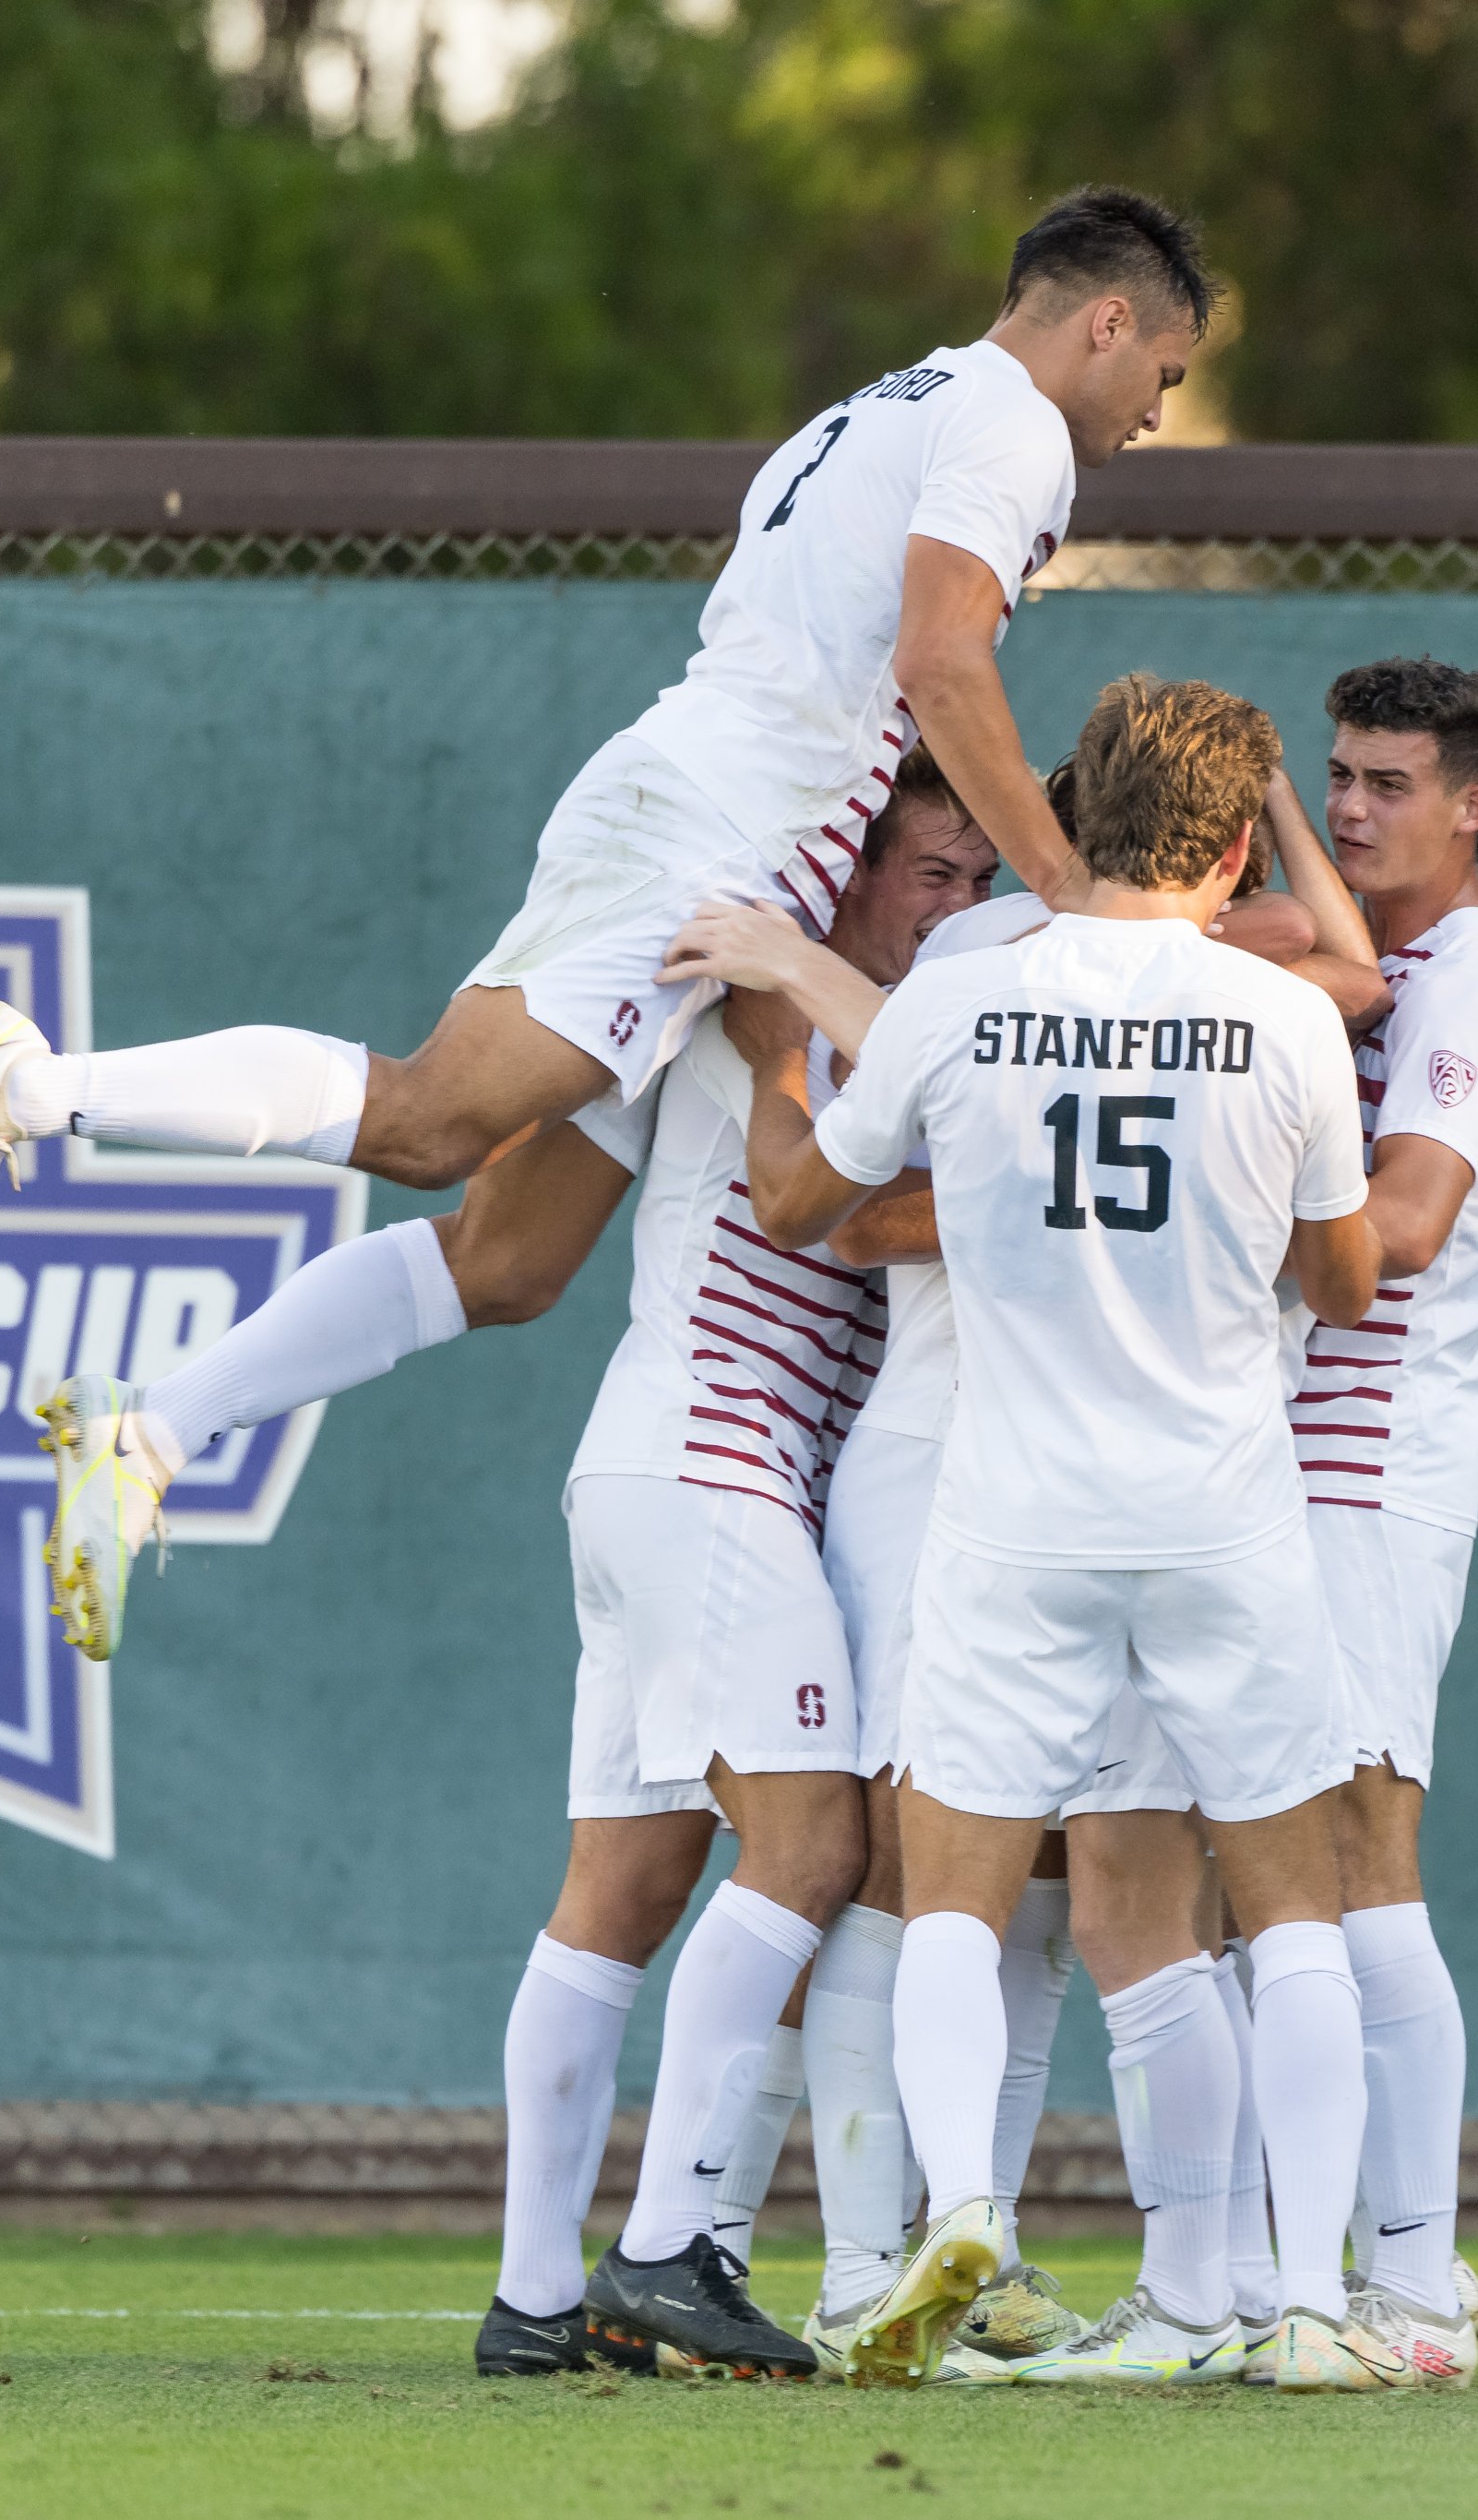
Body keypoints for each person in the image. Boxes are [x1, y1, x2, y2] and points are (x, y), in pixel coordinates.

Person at [0, 185, 1222, 1659]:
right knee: (432, 1123)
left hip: (721, 839)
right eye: (1165, 374)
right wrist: (1071, 896)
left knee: (509, 1264)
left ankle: (149, 1432)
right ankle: (29, 1088)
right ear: (1108, 321)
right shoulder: (1013, 427)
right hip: (710, 840)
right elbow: (941, 662)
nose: (1157, 413)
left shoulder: (891, 399)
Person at [723, 674, 1405, 2393]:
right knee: (1291, 1914)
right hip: (1223, 1516)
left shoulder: (965, 996)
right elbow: (1345, 1282)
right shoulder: (1286, 1020)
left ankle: (960, 2209)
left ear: (1072, 817)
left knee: (953, 1904)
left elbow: (806, 1201)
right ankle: (1303, 2304)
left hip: (1015, 1515)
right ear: (1236, 846)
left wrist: (774, 1043)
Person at [469, 778, 995, 2383]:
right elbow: (831, 1210)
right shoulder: (770, 999)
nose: (956, 906)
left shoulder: (864, 1015)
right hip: (711, 1457)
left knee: (622, 1895)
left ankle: (534, 2301)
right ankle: (665, 2247)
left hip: (662, 1465)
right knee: (815, 1842)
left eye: (979, 878)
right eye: (931, 869)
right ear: (849, 872)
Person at [1298, 657, 1478, 2386]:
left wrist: (1180, 1213)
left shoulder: (1471, 988)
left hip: (1374, 1472)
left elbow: (1395, 1231)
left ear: (1473, 807)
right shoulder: (1352, 963)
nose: (1351, 807)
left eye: (1389, 784)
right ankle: (1331, 2259)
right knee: (1261, 1880)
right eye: (1337, 775)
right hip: (1277, 1471)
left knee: (1360, 1854)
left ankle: (1410, 2279)